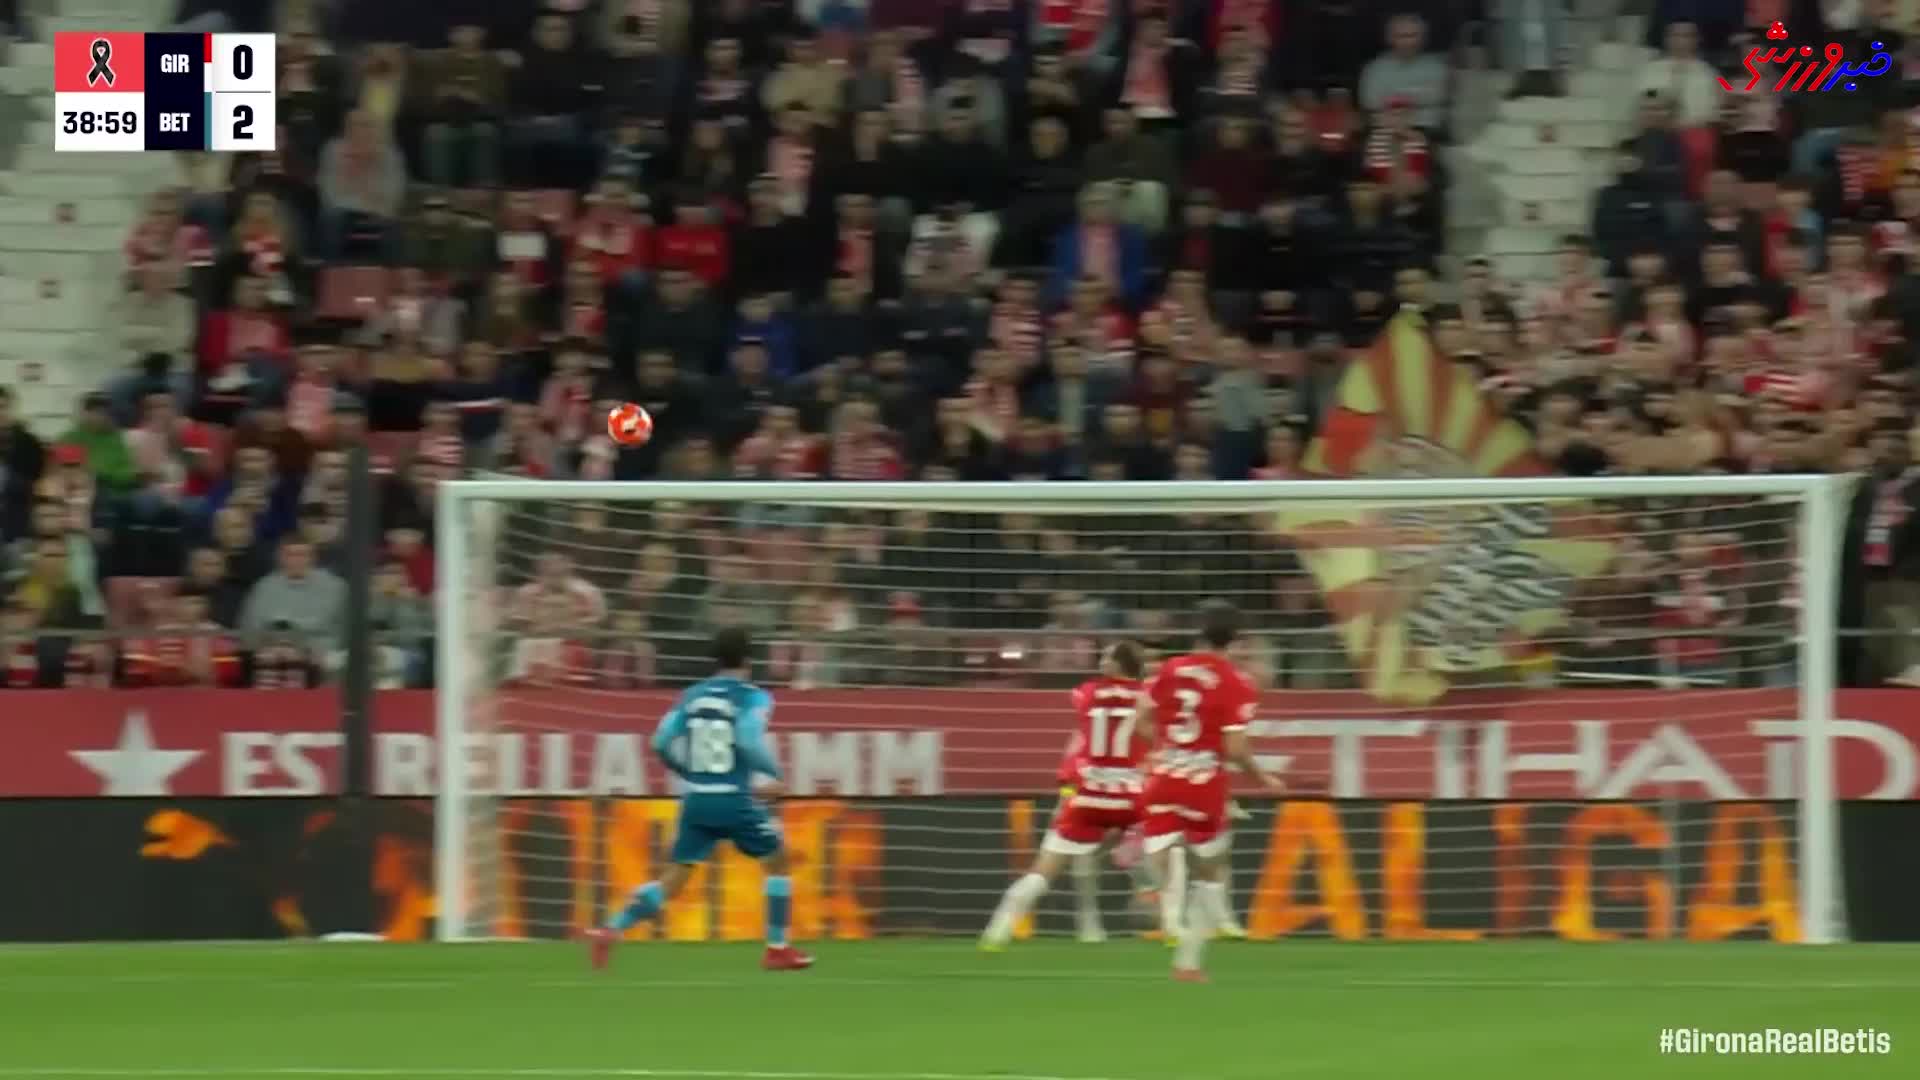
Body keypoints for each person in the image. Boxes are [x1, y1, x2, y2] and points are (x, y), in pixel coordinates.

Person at [585, 626, 814, 972]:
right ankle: (777, 948)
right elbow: (748, 739)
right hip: (733, 800)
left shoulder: (691, 696)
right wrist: (775, 774)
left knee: (673, 880)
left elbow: (660, 742)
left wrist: (686, 771)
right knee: (778, 862)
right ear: (749, 659)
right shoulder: (754, 697)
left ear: (714, 658)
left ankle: (611, 929)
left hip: (696, 801)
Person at [1136, 600, 1281, 982]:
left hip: (1164, 778)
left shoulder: (1170, 669)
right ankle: (1193, 955)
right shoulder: (1237, 683)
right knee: (1211, 871)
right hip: (1203, 786)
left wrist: (1164, 749)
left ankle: (1161, 894)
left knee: (1164, 851)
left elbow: (1141, 720)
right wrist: (1262, 778)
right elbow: (1235, 749)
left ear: (1199, 632)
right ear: (1235, 640)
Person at [980, 641, 1151, 949]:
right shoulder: (1146, 698)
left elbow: (1080, 742)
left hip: (1089, 793)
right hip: (1130, 797)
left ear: (1117, 664)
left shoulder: (1087, 692)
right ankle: (1168, 911)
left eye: (1106, 657)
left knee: (1045, 868)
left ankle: (999, 928)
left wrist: (1065, 792)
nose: (1101, 661)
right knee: (1168, 844)